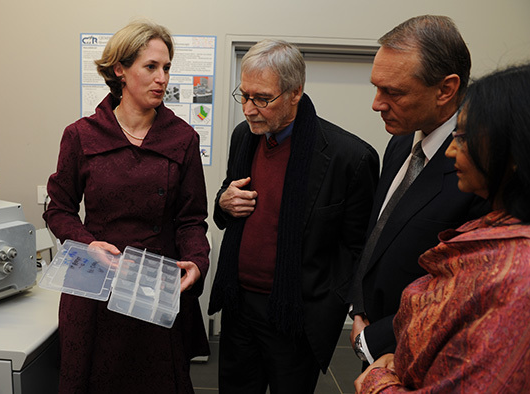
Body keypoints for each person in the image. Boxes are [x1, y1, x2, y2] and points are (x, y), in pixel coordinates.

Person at [43, 20, 210, 393]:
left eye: (166, 68)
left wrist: (198, 262)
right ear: (120, 69)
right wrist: (88, 242)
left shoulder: (182, 138)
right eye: (151, 67)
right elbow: (59, 209)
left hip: (153, 286)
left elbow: (191, 219)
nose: (162, 78)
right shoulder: (81, 135)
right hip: (95, 285)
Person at [208, 39, 379, 393]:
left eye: (263, 99)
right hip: (239, 306)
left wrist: (331, 305)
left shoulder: (350, 157)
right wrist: (223, 203)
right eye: (245, 95)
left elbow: (356, 249)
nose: (249, 109)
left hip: (296, 315)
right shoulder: (245, 137)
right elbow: (228, 204)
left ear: (295, 92)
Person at [355, 63, 530, 393]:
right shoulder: (493, 229)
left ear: (512, 151)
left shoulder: (518, 277)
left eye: (463, 138)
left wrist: (378, 381)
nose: (451, 150)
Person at [348, 15, 489, 365]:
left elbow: (461, 290)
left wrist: (374, 337)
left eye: (393, 92)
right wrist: (359, 308)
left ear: (445, 89)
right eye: (376, 87)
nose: (377, 103)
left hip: (422, 354)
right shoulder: (400, 143)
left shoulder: (478, 170)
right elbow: (380, 235)